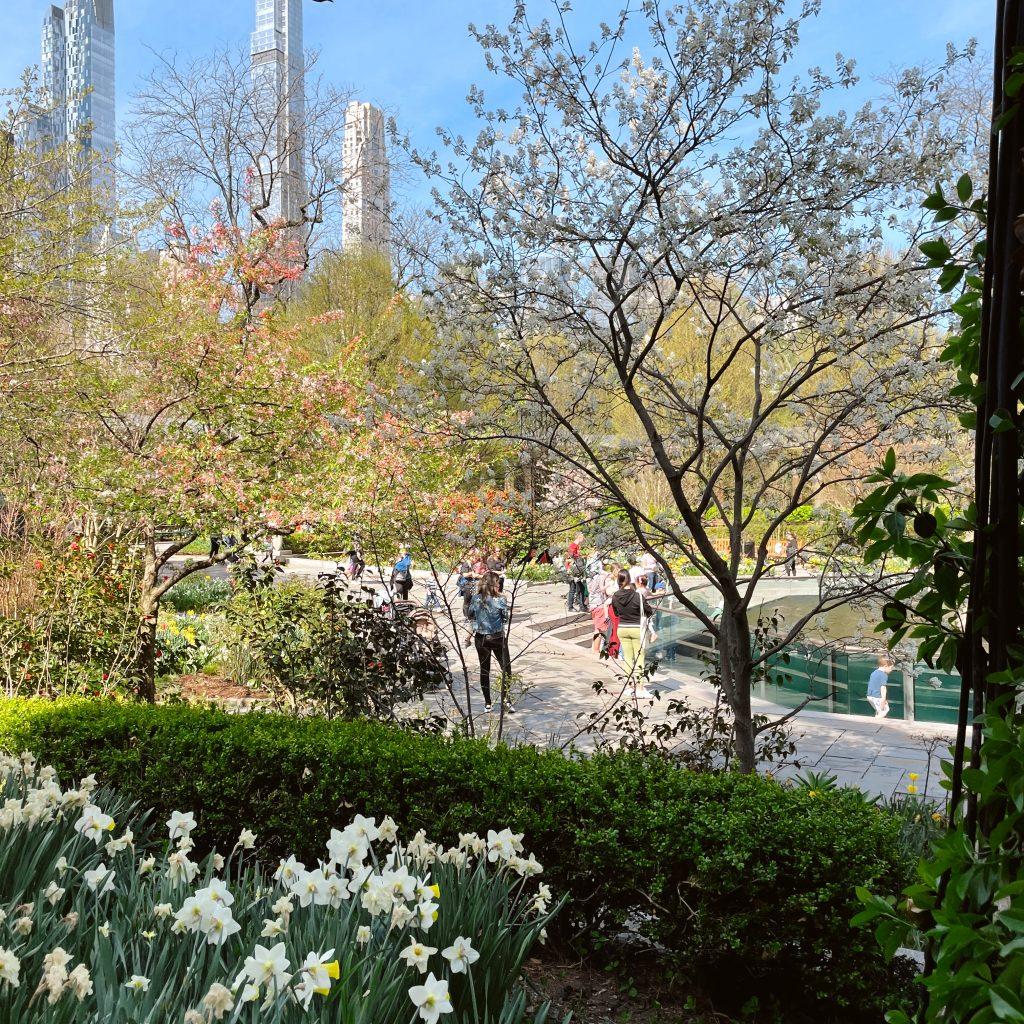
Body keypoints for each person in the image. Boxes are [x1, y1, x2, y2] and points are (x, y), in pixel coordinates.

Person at [468, 572, 514, 713]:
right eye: (498, 583)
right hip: (498, 638)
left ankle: (488, 703)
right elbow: (505, 618)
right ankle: (506, 700)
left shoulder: (476, 599)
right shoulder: (501, 599)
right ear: (493, 584)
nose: (499, 585)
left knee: (484, 670)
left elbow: (470, 615)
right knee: (506, 669)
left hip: (481, 638)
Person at [611, 570, 655, 690]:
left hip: (622, 628)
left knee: (627, 658)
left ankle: (629, 684)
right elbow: (649, 611)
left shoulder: (615, 596)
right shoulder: (638, 596)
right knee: (639, 658)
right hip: (637, 629)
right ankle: (640, 686)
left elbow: (615, 612)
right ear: (629, 579)